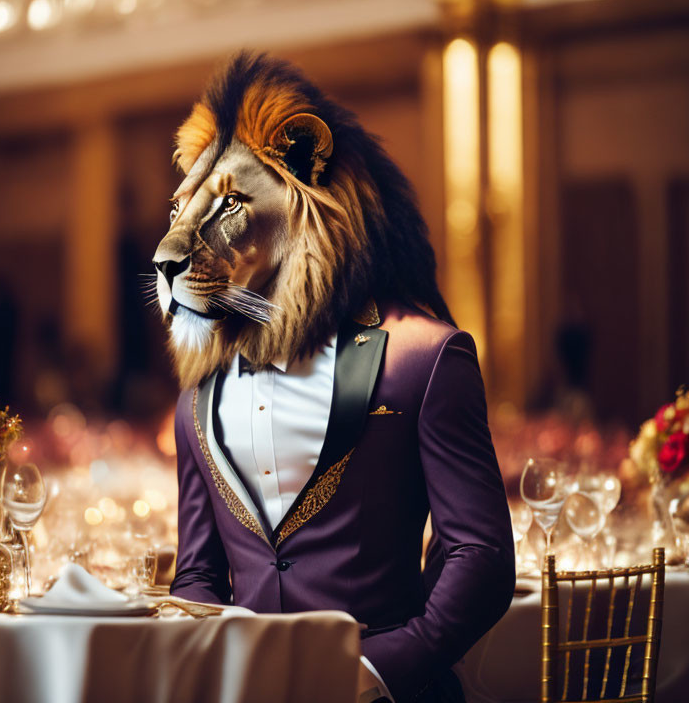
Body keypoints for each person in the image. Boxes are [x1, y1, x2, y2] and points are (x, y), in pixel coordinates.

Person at [153, 52, 515, 702]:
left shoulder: (424, 359)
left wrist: (380, 668)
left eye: (229, 205)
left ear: (306, 191)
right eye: (182, 212)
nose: (173, 252)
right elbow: (199, 574)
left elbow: (480, 558)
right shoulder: (197, 399)